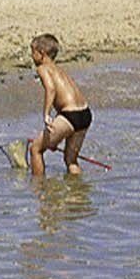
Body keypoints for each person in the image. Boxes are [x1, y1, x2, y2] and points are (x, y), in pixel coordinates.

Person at [28, 32, 91, 178]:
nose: (32, 57)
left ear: (42, 53)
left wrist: (46, 115)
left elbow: (51, 90)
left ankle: (39, 191)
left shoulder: (42, 68)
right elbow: (66, 99)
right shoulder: (59, 70)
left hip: (70, 116)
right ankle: (77, 197)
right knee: (71, 161)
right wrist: (56, 137)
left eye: (33, 52)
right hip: (85, 113)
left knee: (35, 149)